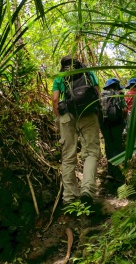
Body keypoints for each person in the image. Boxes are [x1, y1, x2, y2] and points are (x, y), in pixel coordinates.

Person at [52, 55, 101, 206]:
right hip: (87, 113)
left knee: (68, 156)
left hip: (66, 114)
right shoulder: (87, 72)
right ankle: (87, 190)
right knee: (91, 152)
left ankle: (70, 198)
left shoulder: (60, 77)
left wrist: (59, 117)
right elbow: (97, 92)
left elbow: (55, 99)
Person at [99, 78, 127, 182]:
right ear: (116, 85)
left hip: (105, 124)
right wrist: (125, 120)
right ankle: (118, 173)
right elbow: (124, 109)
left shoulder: (101, 95)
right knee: (117, 146)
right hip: (117, 123)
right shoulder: (119, 93)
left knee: (109, 147)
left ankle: (110, 172)